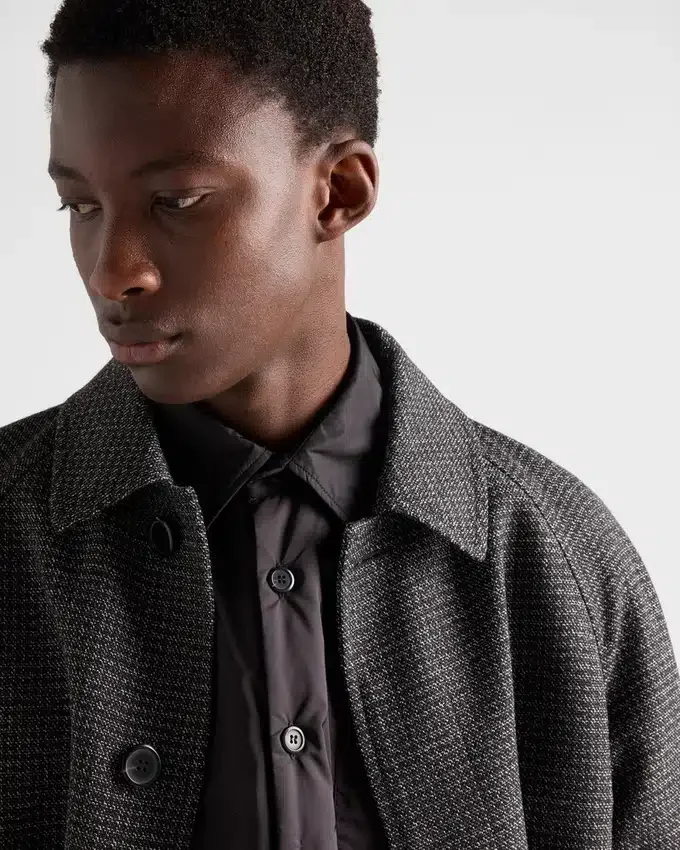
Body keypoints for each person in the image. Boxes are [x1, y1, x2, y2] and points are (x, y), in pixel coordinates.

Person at [1, 1, 678, 848]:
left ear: (340, 191)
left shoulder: (559, 560)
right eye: (79, 206)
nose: (112, 273)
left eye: (177, 201)